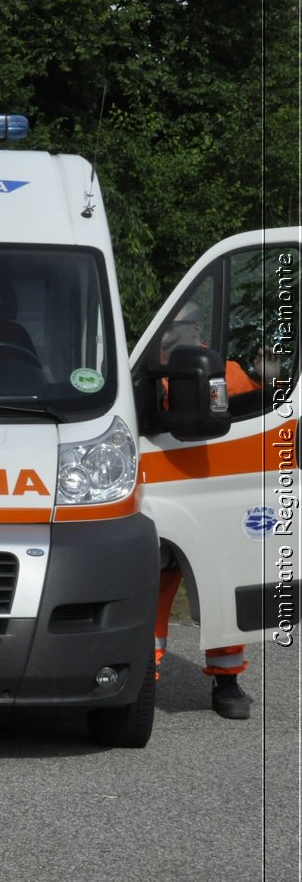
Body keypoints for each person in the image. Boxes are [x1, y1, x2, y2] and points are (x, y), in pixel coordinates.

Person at [154, 301, 261, 719]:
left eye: (174, 326)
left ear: (197, 327)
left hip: (215, 497)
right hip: (163, 496)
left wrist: (270, 381)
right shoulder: (145, 372)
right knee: (150, 592)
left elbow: (266, 420)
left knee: (224, 593)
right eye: (163, 327)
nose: (165, 335)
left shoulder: (230, 373)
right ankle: (144, 678)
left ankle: (228, 682)